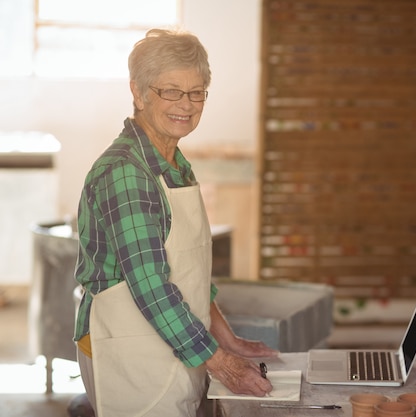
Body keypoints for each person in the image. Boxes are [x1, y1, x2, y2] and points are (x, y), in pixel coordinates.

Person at [73, 28, 277, 417]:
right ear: (139, 92)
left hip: (172, 341)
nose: (186, 104)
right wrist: (223, 363)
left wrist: (227, 340)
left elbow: (189, 272)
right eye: (171, 91)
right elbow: (151, 286)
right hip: (127, 348)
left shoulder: (174, 165)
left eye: (196, 91)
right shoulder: (126, 172)